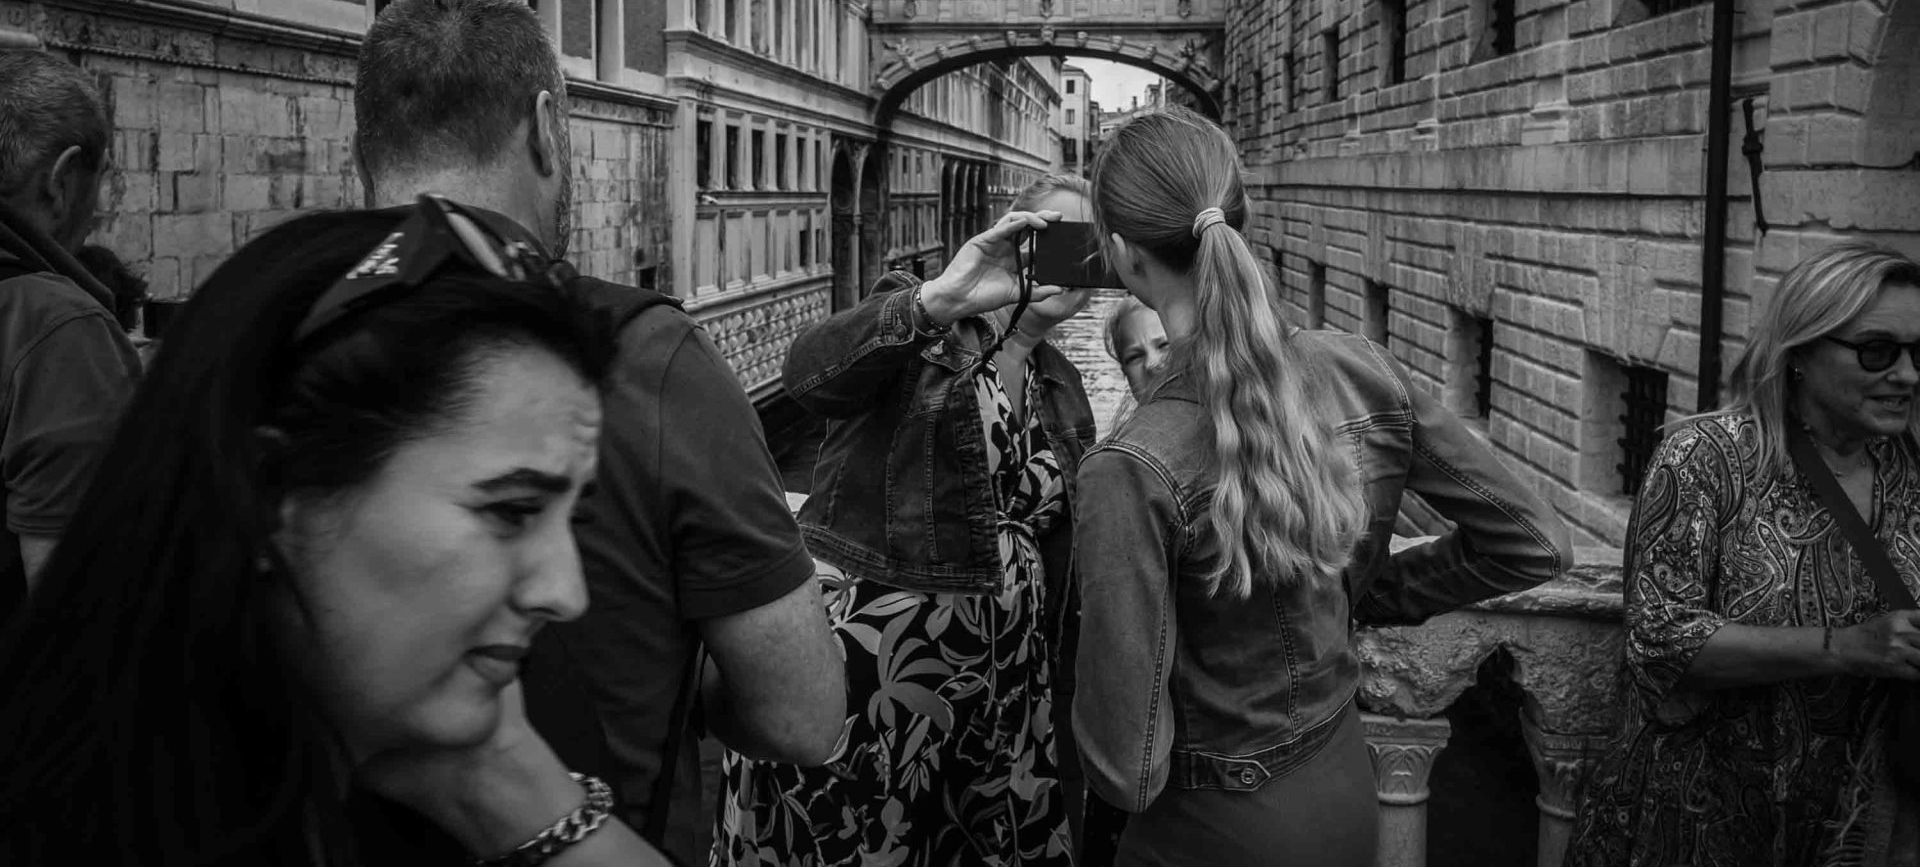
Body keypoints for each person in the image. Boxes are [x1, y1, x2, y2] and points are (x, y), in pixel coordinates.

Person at [0, 201, 671, 866]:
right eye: (511, 511)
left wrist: (509, 784)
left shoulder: (515, 709)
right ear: (270, 492)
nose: (566, 593)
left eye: (571, 518)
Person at [351, 0, 843, 862]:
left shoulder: (253, 338)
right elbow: (803, 715)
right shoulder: (656, 363)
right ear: (546, 126)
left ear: (364, 155)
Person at [1072, 108, 1571, 867]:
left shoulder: (1130, 466)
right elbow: (1535, 545)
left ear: (1121, 255)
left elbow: (1127, 770)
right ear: (1238, 216)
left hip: (1209, 831)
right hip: (1342, 787)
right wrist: (1352, 588)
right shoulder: (1361, 368)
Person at [714, 174, 1100, 867]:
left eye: (1085, 244)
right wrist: (936, 301)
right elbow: (807, 376)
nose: (1065, 264)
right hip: (875, 667)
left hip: (998, 685)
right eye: (1049, 238)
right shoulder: (923, 322)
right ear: (1014, 238)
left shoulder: (1064, 389)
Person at [1566, 240, 1920, 867]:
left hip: (1854, 825)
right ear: (1801, 352)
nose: (1908, 375)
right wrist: (1849, 646)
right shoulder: (1709, 458)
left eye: (1919, 353)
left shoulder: (1906, 467)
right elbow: (1660, 640)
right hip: (1695, 821)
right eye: (1877, 351)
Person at [0, 50, 142, 599]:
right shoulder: (57, 329)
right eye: (101, 181)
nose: (101, 208)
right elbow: (82, 609)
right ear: (60, 181)